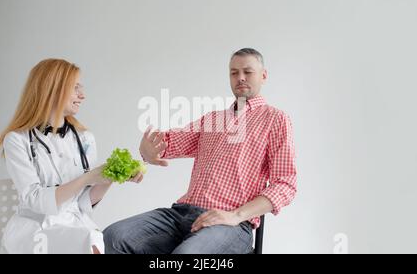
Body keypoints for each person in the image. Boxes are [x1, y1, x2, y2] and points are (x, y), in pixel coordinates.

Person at [103, 48, 297, 254]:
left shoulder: (275, 119)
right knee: (114, 236)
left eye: (247, 72)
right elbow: (167, 142)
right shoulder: (214, 119)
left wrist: (235, 216)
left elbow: (285, 185)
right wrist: (147, 150)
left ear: (263, 75)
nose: (240, 78)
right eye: (234, 73)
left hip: (230, 224)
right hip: (181, 214)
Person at [0, 59, 144, 254]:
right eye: (75, 88)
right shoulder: (16, 140)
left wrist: (109, 177)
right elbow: (35, 199)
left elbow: (83, 202)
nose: (82, 95)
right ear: (53, 90)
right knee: (88, 243)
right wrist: (87, 178)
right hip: (35, 230)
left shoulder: (84, 139)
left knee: (94, 240)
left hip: (75, 224)